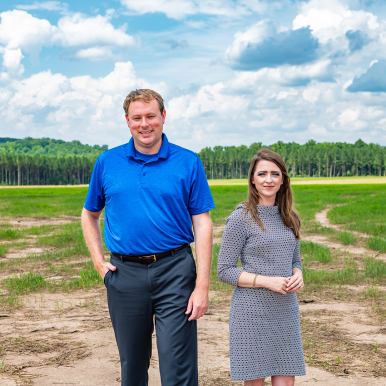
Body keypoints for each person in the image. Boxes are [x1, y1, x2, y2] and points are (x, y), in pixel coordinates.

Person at [81, 89, 215, 386]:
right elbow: (89, 214)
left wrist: (202, 285)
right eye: (137, 117)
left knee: (178, 365)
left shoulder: (188, 161)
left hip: (175, 270)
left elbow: (202, 223)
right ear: (127, 120)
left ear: (163, 117)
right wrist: (98, 262)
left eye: (151, 116)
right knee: (132, 364)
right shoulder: (107, 162)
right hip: (124, 273)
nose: (145, 124)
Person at [217, 149, 306, 386]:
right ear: (253, 179)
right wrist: (267, 280)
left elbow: (294, 261)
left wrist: (298, 274)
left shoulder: (291, 217)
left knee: (286, 380)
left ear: (283, 180)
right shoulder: (241, 218)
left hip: (285, 310)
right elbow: (224, 269)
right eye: (262, 173)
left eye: (275, 174)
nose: (269, 179)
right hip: (251, 314)